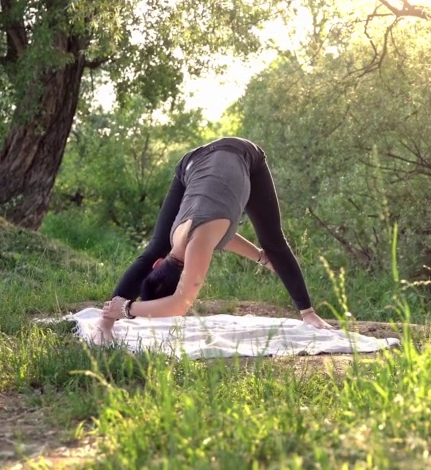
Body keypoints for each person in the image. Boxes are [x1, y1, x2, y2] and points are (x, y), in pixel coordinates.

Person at [97, 137, 332, 339]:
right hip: (191, 161)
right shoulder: (178, 234)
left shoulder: (199, 244)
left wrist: (127, 309)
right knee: (156, 247)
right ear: (159, 266)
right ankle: (105, 322)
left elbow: (180, 304)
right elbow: (219, 231)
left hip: (241, 152)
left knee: (273, 241)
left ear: (185, 274)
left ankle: (308, 313)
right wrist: (260, 258)